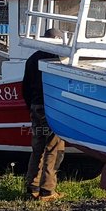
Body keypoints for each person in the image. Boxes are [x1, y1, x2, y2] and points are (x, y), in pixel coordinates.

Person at [22, 28, 66, 201]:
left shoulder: (32, 59)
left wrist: (31, 107)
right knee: (54, 148)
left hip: (36, 107)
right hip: (52, 108)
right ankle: (47, 190)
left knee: (37, 148)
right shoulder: (58, 60)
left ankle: (32, 187)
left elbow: (25, 88)